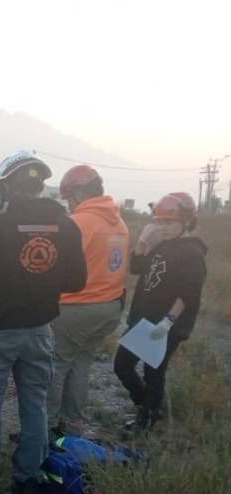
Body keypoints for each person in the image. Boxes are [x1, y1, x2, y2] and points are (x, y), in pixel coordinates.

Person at [0, 152, 87, 494]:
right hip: (39, 328)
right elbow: (77, 280)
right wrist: (42, 281)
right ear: (40, 185)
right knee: (35, 405)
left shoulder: (0, 226)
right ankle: (28, 481)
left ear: (9, 186)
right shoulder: (67, 225)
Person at [113, 192, 207, 432]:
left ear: (186, 221)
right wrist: (143, 242)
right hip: (144, 320)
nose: (163, 227)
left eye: (169, 222)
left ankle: (148, 419)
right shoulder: (163, 245)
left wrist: (168, 322)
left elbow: (189, 293)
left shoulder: (192, 252)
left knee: (154, 370)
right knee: (122, 366)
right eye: (160, 222)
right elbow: (135, 268)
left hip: (166, 324)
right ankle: (148, 405)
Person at [47, 165, 130, 436]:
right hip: (109, 307)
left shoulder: (81, 222)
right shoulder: (118, 221)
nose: (69, 203)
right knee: (81, 364)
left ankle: (43, 430)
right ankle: (71, 427)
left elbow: (55, 264)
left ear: (80, 192)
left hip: (76, 307)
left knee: (56, 366)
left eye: (69, 196)